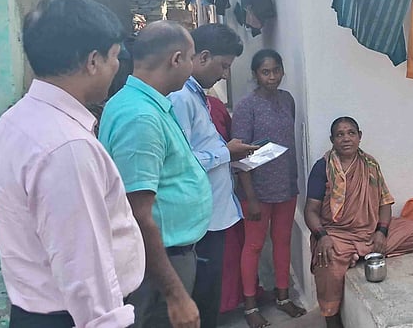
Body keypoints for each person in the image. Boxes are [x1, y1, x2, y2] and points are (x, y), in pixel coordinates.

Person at [0, 0, 145, 328]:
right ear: (93, 61)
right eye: (115, 57)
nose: (117, 67)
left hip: (37, 311)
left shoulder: (15, 120)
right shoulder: (66, 146)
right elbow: (84, 268)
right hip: (72, 318)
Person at [99, 21, 212, 328]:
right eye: (190, 58)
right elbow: (138, 214)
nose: (191, 67)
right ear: (176, 59)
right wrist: (175, 294)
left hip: (171, 255)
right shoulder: (140, 117)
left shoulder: (148, 105)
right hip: (160, 264)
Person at [168, 24, 259, 328]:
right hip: (200, 222)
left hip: (213, 215)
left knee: (209, 299)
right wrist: (226, 153)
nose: (225, 75)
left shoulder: (198, 96)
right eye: (224, 66)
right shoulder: (181, 99)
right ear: (203, 56)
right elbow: (179, 161)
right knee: (202, 301)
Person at [304, 117, 413, 328]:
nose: (346, 139)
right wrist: (322, 236)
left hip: (369, 230)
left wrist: (381, 231)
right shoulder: (322, 167)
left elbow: (385, 203)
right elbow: (311, 211)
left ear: (359, 136)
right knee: (328, 263)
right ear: (332, 139)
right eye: (340, 134)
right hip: (337, 234)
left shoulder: (370, 164)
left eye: (351, 133)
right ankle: (332, 319)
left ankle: (357, 253)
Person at [231, 50, 307, 328]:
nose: (272, 76)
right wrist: (250, 196)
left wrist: (293, 181)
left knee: (283, 241)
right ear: (255, 75)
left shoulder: (287, 100)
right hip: (257, 191)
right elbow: (239, 154)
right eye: (265, 72)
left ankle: (283, 296)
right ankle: (250, 307)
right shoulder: (246, 107)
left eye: (276, 70)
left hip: (286, 185)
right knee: (253, 246)